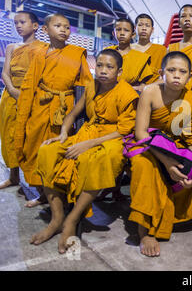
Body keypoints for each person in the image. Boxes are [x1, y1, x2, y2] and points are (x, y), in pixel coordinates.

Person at [30, 49, 138, 253]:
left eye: (109, 67)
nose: (103, 70)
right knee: (48, 151)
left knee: (94, 159)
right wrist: (63, 133)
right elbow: (73, 114)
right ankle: (57, 217)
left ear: (119, 71)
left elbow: (124, 130)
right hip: (88, 133)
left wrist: (89, 144)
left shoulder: (128, 94)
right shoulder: (91, 86)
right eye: (99, 66)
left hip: (113, 138)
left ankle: (72, 218)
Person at [129, 51, 192, 257]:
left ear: (190, 76)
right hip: (148, 145)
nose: (176, 76)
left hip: (175, 144)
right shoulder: (150, 92)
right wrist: (167, 162)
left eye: (182, 72)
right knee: (145, 166)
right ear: (162, 73)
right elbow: (140, 133)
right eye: (171, 70)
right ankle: (145, 230)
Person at [14, 13, 93, 199]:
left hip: (65, 108)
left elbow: (86, 86)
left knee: (58, 151)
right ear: (45, 29)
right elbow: (29, 84)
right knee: (33, 148)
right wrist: (25, 111)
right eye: (58, 26)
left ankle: (59, 197)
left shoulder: (76, 53)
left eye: (67, 27)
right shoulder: (38, 53)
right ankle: (42, 194)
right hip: (40, 106)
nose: (64, 30)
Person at [0, 11, 47, 207]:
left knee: (31, 140)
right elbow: (5, 73)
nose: (18, 26)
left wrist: (27, 95)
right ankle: (13, 177)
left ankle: (42, 190)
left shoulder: (44, 48)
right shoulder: (12, 47)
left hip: (32, 96)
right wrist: (11, 89)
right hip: (10, 96)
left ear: (35, 26)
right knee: (9, 136)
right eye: (16, 23)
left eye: (22, 22)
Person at [107, 18, 159, 92]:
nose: (122, 33)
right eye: (118, 30)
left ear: (133, 34)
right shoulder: (107, 52)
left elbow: (142, 85)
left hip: (129, 95)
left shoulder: (141, 58)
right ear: (113, 33)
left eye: (126, 30)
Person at [131, 13, 167, 81]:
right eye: (140, 25)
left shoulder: (161, 50)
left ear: (152, 30)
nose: (144, 28)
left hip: (153, 89)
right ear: (135, 28)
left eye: (147, 26)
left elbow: (165, 75)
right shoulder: (128, 49)